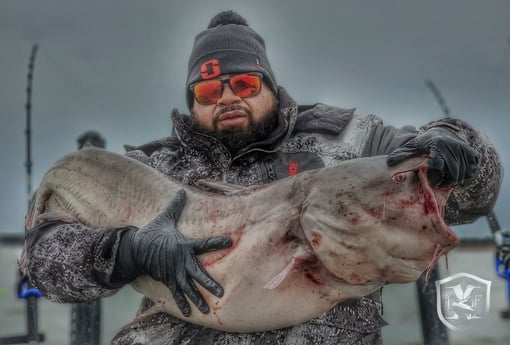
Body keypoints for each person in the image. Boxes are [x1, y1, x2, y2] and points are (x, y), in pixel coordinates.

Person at [21, 10, 502, 345]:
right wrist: (127, 251)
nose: (227, 98)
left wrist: (456, 147)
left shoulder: (348, 139)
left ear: (270, 85)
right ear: (191, 102)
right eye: (208, 91)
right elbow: (43, 263)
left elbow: (467, 195)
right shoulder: (152, 167)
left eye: (244, 84)